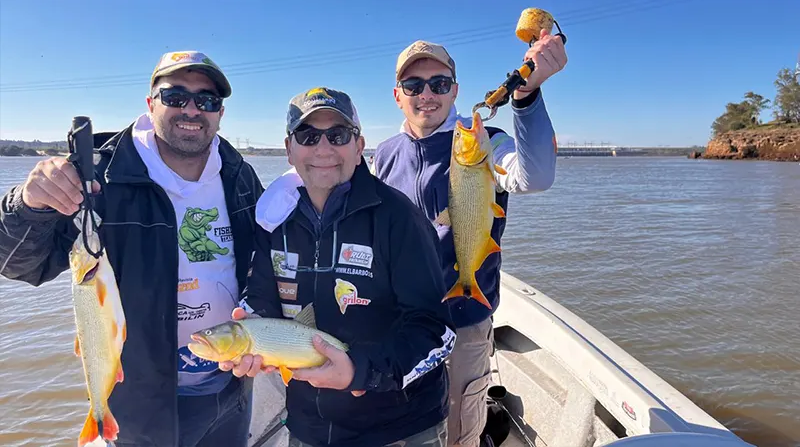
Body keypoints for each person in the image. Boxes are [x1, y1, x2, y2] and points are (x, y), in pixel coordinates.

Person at [255, 31, 567, 447]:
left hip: (464, 315)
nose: (427, 95)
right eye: (414, 85)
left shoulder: (484, 142)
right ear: (397, 95)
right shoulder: (383, 153)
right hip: (394, 325)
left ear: (454, 89)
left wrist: (526, 98)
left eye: (438, 84)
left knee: (459, 428)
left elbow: (536, 176)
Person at [0, 51, 264, 447]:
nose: (192, 109)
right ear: (150, 103)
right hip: (143, 407)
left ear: (220, 114)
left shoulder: (239, 173)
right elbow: (19, 264)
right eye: (175, 96)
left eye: (207, 100)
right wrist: (30, 205)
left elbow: (261, 264)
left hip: (230, 389)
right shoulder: (100, 177)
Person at [225, 87, 457, 447]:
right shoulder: (274, 221)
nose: (323, 149)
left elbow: (435, 331)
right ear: (289, 148)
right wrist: (252, 332)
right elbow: (261, 298)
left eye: (338, 135)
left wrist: (359, 372)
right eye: (308, 135)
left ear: (358, 144)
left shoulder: (399, 218)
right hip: (309, 426)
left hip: (399, 429)